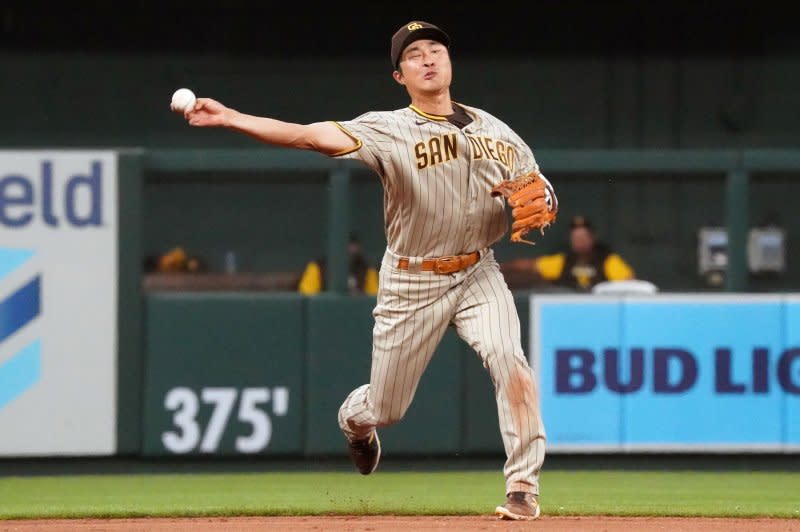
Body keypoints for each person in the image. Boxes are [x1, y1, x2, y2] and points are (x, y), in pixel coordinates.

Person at [172, 20, 554, 521]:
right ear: (400, 76)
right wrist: (231, 118)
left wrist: (543, 195)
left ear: (450, 62)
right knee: (387, 407)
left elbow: (538, 187)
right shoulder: (387, 128)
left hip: (479, 272)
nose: (428, 58)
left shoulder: (497, 131)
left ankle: (523, 487)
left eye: (436, 49)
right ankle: (355, 422)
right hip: (412, 279)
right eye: (414, 54)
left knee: (512, 362)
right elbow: (307, 136)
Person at [501, 215, 635, 291]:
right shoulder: (564, 261)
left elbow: (630, 282)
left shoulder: (607, 260)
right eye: (576, 238)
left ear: (593, 238)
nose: (580, 241)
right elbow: (530, 265)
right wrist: (498, 268)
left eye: (584, 237)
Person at [297, 232, 379, 295]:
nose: (349, 250)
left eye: (352, 245)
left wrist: (357, 296)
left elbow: (374, 299)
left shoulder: (365, 270)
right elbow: (307, 295)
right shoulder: (318, 267)